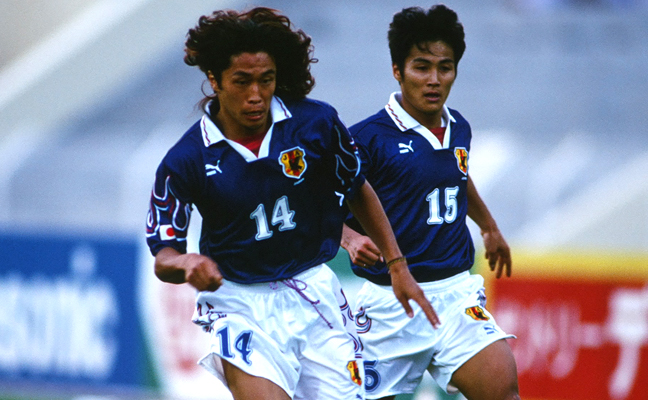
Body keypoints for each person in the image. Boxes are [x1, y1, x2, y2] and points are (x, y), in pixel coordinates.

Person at [145, 7, 439, 400]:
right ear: (215, 80)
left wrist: (396, 264)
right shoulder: (186, 159)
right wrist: (187, 263)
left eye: (266, 80)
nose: (256, 95)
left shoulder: (314, 124)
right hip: (239, 304)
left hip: (313, 292)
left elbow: (357, 187)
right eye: (242, 81)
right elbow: (164, 256)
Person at [340, 5, 520, 400]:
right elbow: (320, 202)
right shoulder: (366, 138)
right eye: (421, 67)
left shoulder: (459, 126)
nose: (434, 79)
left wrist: (488, 226)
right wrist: (350, 240)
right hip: (390, 303)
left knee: (502, 390)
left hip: (455, 295)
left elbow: (456, 176)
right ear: (397, 70)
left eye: (445, 67)